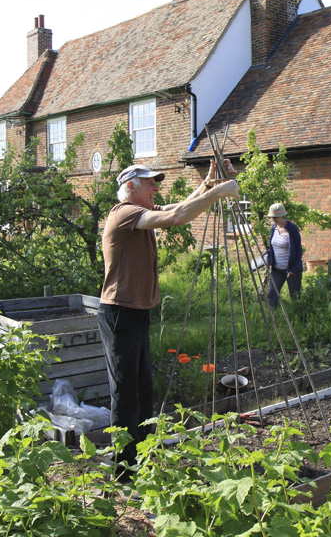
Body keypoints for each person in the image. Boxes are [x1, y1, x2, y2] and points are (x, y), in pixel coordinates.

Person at [98, 160, 238, 476]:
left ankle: (143, 457)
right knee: (126, 392)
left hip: (136, 313)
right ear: (130, 187)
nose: (156, 187)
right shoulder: (124, 214)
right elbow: (177, 217)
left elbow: (179, 205)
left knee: (143, 388)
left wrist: (210, 183)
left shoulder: (140, 214)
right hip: (120, 313)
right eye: (150, 183)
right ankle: (122, 469)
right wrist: (221, 193)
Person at [265, 203, 302, 308]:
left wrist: (293, 270)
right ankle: (271, 317)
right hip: (277, 269)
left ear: (282, 216)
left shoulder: (292, 229)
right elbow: (275, 245)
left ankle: (297, 319)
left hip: (292, 270)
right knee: (272, 295)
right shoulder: (273, 228)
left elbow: (299, 251)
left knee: (295, 297)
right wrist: (268, 252)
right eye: (272, 217)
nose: (273, 219)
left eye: (276, 217)